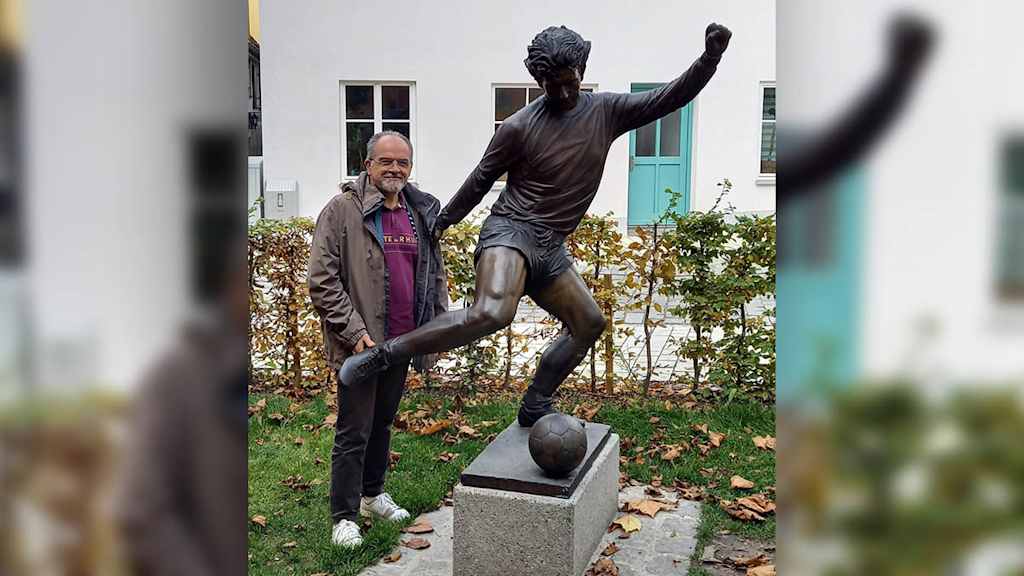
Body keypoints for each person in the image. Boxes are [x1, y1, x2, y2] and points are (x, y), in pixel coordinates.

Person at [340, 23, 732, 427]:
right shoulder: (519, 127)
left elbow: (669, 98)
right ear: (538, 81)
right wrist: (442, 221)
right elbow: (481, 178)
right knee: (492, 312)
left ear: (582, 70)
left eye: (569, 82)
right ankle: (383, 354)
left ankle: (535, 403)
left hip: (550, 246)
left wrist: (710, 59)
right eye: (551, 85)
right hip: (510, 233)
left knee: (588, 324)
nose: (562, 93)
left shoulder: (607, 111)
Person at [308, 131, 448, 548]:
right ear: (367, 164)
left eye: (403, 162)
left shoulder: (418, 212)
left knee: (383, 423)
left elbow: (433, 275)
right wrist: (354, 333)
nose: (395, 169)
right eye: (386, 161)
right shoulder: (341, 211)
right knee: (354, 430)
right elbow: (322, 280)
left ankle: (372, 495)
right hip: (363, 345)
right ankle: (344, 516)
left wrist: (434, 330)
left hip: (402, 343)